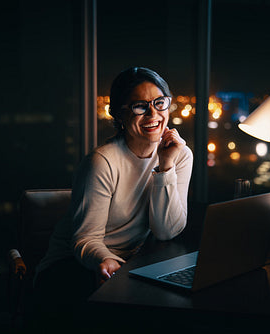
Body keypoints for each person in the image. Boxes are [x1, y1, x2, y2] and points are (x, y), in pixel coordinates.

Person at [32, 67, 193, 325]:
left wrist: (166, 167)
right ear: (119, 114)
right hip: (71, 268)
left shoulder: (179, 154)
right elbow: (85, 239)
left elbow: (166, 231)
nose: (154, 114)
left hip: (129, 263)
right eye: (140, 106)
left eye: (160, 103)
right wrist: (107, 260)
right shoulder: (102, 162)